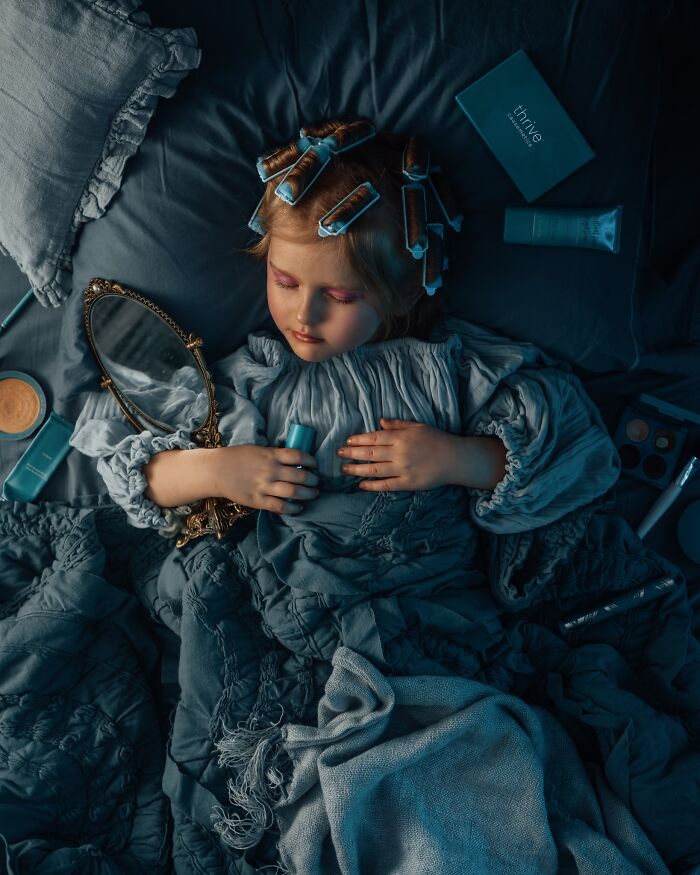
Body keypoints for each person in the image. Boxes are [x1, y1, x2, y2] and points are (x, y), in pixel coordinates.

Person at [70, 117, 620, 540]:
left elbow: (580, 454)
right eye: (285, 281)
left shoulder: (453, 367)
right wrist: (216, 470)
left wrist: (459, 459)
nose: (303, 315)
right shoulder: (258, 376)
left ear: (402, 293)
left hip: (418, 585)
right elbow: (133, 477)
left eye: (339, 296)